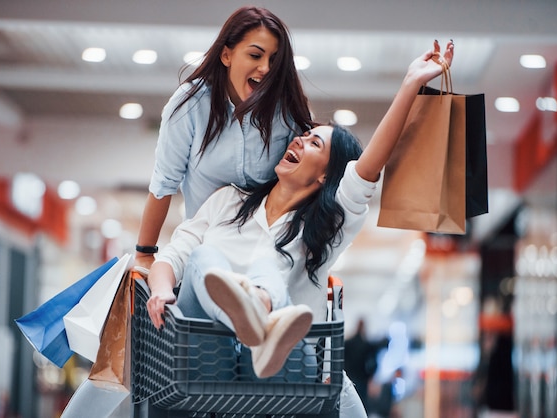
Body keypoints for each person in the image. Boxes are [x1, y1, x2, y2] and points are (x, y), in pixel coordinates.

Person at [144, 37, 454, 402]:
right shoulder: (228, 201)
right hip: (212, 366)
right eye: (304, 136)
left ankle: (262, 309)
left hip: (280, 373)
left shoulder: (327, 228)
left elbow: (369, 168)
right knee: (199, 258)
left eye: (315, 145)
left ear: (327, 176)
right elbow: (171, 257)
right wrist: (163, 290)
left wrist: (411, 84)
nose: (299, 142)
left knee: (265, 268)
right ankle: (260, 317)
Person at [133, 6, 313, 270]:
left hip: (265, 251)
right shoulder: (190, 104)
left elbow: (305, 185)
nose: (265, 69)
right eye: (255, 55)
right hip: (204, 246)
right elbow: (164, 183)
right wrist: (145, 254)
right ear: (226, 55)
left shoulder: (286, 111)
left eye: (274, 61)